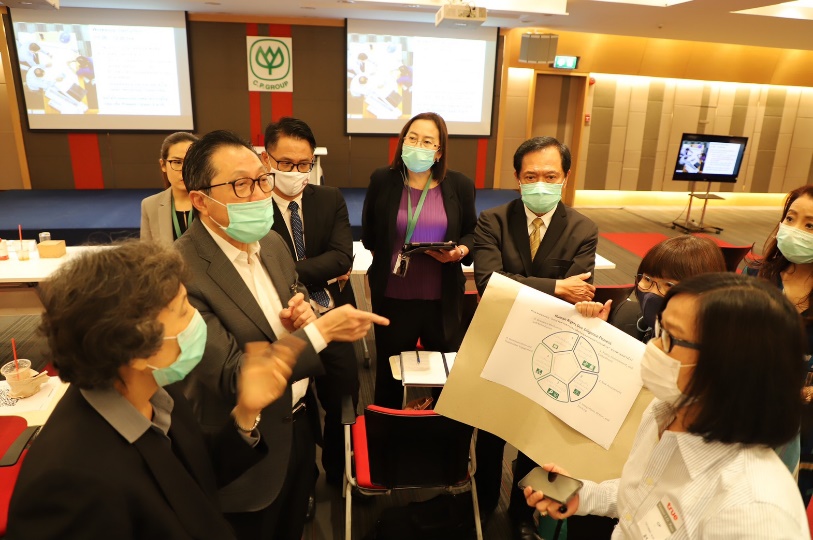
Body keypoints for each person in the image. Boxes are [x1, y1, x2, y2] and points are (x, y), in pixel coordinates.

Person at [7, 241, 304, 539]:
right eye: (183, 311)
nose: (196, 319)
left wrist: (246, 413)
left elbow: (196, 473)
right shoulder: (70, 486)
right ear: (134, 348)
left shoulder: (158, 389)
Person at [176, 129, 388, 540]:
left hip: (298, 427)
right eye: (241, 185)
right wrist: (320, 333)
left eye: (262, 180)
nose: (260, 195)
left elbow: (293, 298)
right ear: (201, 200)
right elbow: (232, 377)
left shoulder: (271, 243)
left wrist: (303, 314)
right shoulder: (182, 272)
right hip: (244, 452)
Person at [524, 273, 809, 539]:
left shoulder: (754, 509)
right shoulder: (664, 411)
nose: (653, 347)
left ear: (729, 363)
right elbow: (643, 492)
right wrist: (584, 495)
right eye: (660, 330)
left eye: (670, 338)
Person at [472, 136, 598, 538]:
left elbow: (581, 293)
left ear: (565, 177)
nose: (540, 183)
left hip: (553, 347)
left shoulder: (583, 228)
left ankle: (522, 512)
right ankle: (482, 500)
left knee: (534, 435)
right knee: (490, 430)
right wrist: (557, 286)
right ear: (517, 177)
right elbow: (488, 282)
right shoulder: (492, 220)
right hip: (498, 339)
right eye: (531, 176)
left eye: (550, 175)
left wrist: (518, 285)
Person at [262, 117, 359, 487]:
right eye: (286, 163)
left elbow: (342, 257)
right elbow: (258, 265)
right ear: (267, 159)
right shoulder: (254, 206)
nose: (295, 172)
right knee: (290, 407)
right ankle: (302, 481)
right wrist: (320, 269)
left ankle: (339, 472)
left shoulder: (329, 198)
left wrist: (285, 270)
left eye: (304, 164)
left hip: (333, 315)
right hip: (283, 322)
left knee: (343, 399)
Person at [361, 112, 476, 409]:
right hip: (393, 297)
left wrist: (459, 252)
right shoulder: (382, 179)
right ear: (402, 142)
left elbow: (472, 233)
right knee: (389, 375)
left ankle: (443, 433)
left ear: (439, 151)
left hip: (442, 298)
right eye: (411, 138)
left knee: (446, 376)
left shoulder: (460, 185)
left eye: (427, 141)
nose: (417, 145)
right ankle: (387, 431)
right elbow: (370, 234)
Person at [748, 184, 813, 503]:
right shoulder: (756, 275)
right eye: (790, 218)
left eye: (810, 225)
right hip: (745, 413)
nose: (795, 230)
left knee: (781, 507)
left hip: (804, 426)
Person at [576, 235, 727, 343]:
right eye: (647, 279)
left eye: (669, 285)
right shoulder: (623, 315)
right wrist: (597, 330)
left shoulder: (711, 347)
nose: (652, 293)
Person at [140, 132, 199, 245]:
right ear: (163, 165)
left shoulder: (214, 201)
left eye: (191, 162)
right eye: (177, 162)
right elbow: (147, 252)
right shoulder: (150, 205)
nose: (185, 170)